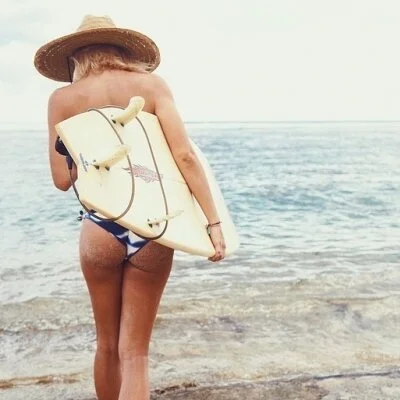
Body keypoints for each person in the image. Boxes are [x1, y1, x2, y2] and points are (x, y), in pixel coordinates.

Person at [34, 15, 226, 400]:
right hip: (154, 224)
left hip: (100, 227)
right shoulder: (152, 86)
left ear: (76, 57)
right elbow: (185, 157)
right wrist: (213, 222)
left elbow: (62, 180)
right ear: (122, 50)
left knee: (106, 345)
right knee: (135, 354)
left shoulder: (62, 100)